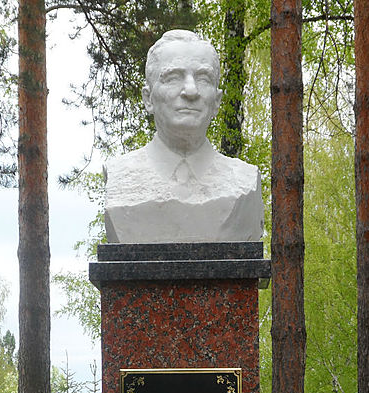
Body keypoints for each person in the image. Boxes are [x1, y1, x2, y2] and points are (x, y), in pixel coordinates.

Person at [104, 30, 264, 244]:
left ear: (217, 101)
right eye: (173, 78)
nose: (191, 91)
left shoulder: (245, 181)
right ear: (148, 98)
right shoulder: (120, 178)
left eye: (203, 78)